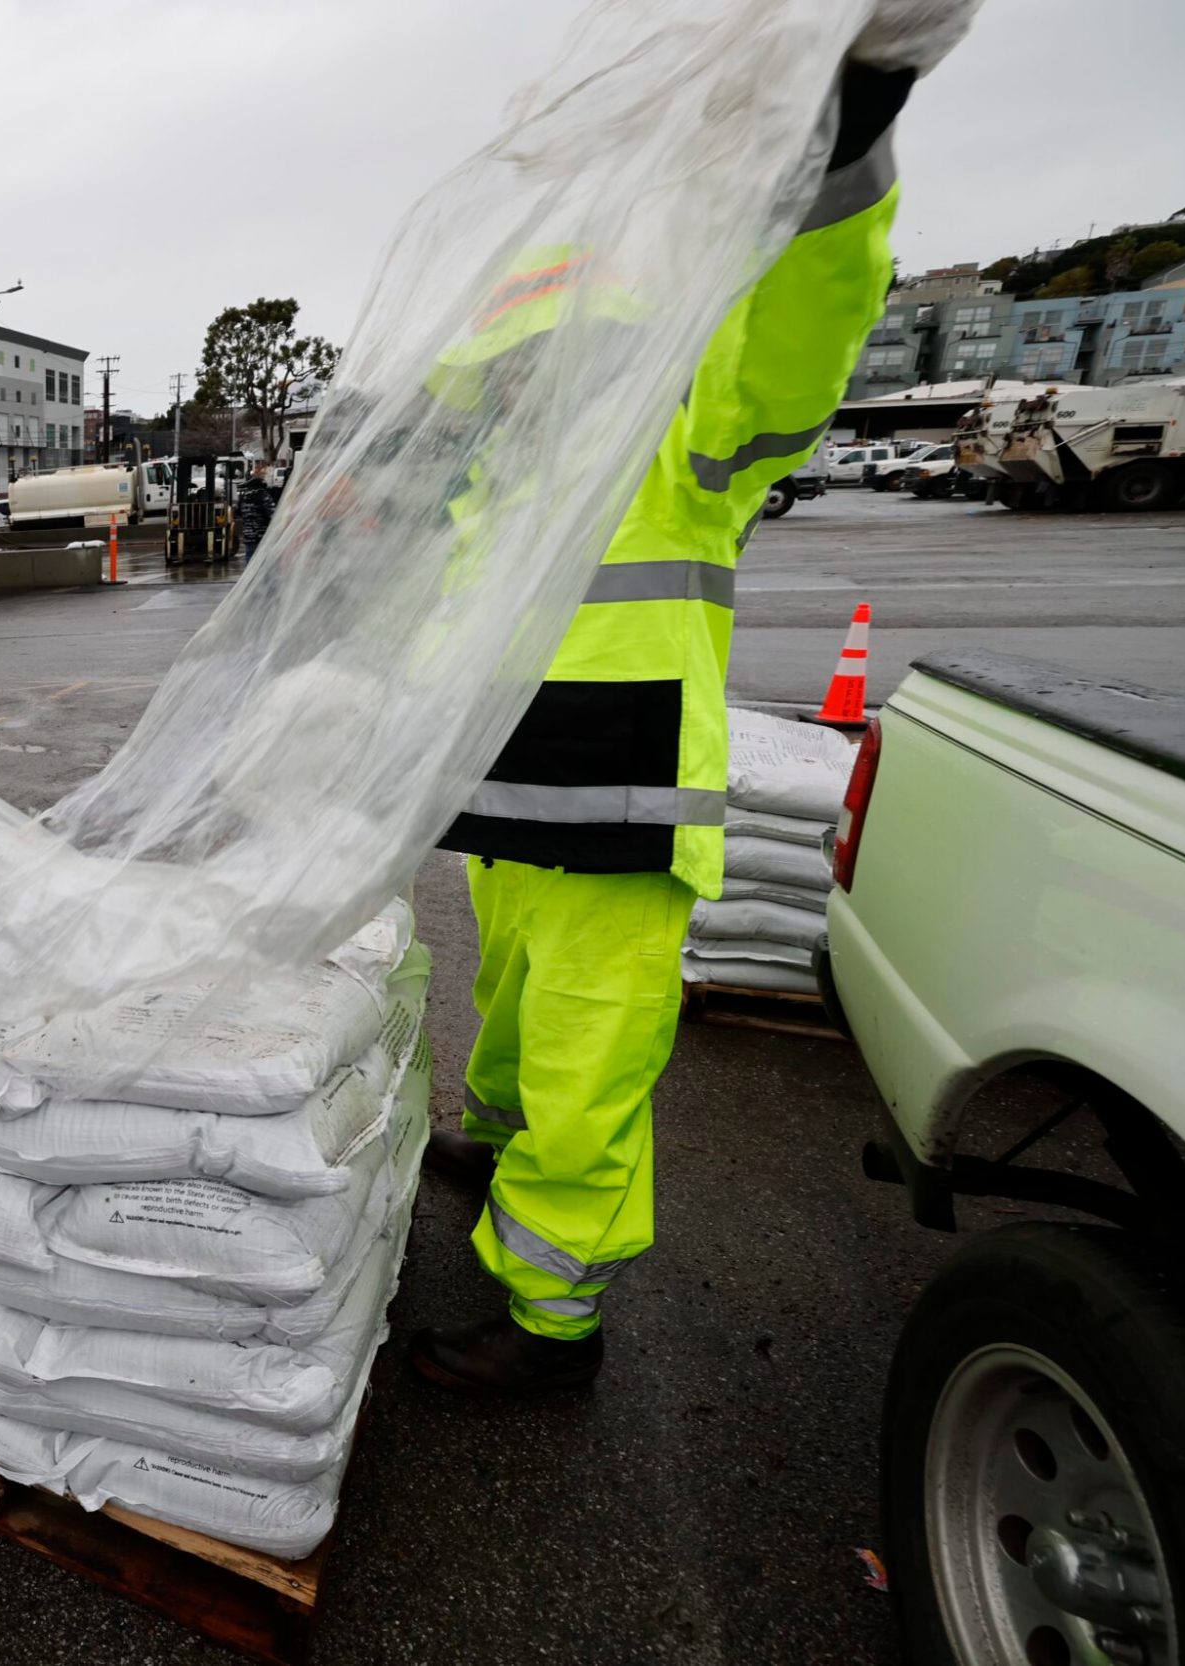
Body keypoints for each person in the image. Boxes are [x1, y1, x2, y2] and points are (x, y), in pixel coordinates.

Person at [408, 22, 963, 1397]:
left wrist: (853, 123)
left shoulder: (681, 434)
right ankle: (488, 1134)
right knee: (519, 995)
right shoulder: (496, 484)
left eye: (538, 363)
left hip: (620, 784)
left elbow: (800, 331)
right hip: (516, 794)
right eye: (503, 373)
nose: (517, 390)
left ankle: (550, 1323)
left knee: (592, 1047)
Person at [235, 460, 279, 559]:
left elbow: (240, 513)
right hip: (261, 538)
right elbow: (273, 515)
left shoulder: (245, 496)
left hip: (249, 538)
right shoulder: (263, 496)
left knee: (250, 566)